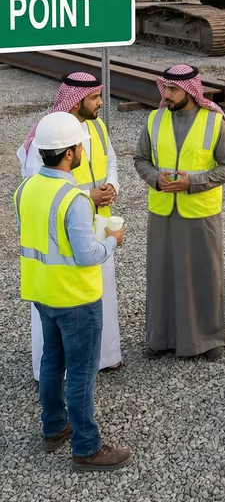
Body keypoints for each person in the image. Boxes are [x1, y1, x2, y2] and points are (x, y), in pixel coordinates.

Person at [16, 112, 131, 471]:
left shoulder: (26, 189)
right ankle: (86, 447)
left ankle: (53, 427)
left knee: (53, 361)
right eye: (79, 146)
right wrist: (112, 241)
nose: (82, 150)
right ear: (69, 154)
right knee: (81, 372)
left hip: (41, 292)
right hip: (76, 298)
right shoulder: (74, 199)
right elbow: (88, 255)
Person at [18, 72, 123, 378]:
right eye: (94, 98)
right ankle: (58, 370)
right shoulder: (48, 135)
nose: (100, 103)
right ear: (76, 102)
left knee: (100, 292)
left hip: (98, 224)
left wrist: (111, 187)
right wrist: (88, 196)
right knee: (62, 303)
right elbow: (39, 183)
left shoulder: (98, 127)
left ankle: (106, 357)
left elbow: (111, 161)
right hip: (62, 232)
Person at [133, 64, 225, 361]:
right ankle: (160, 338)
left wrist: (193, 182)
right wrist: (155, 178)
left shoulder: (215, 123)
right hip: (163, 212)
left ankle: (209, 339)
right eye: (165, 88)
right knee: (161, 275)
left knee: (205, 275)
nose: (166, 94)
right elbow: (140, 159)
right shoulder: (153, 120)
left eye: (173, 90)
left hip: (200, 214)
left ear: (191, 91)